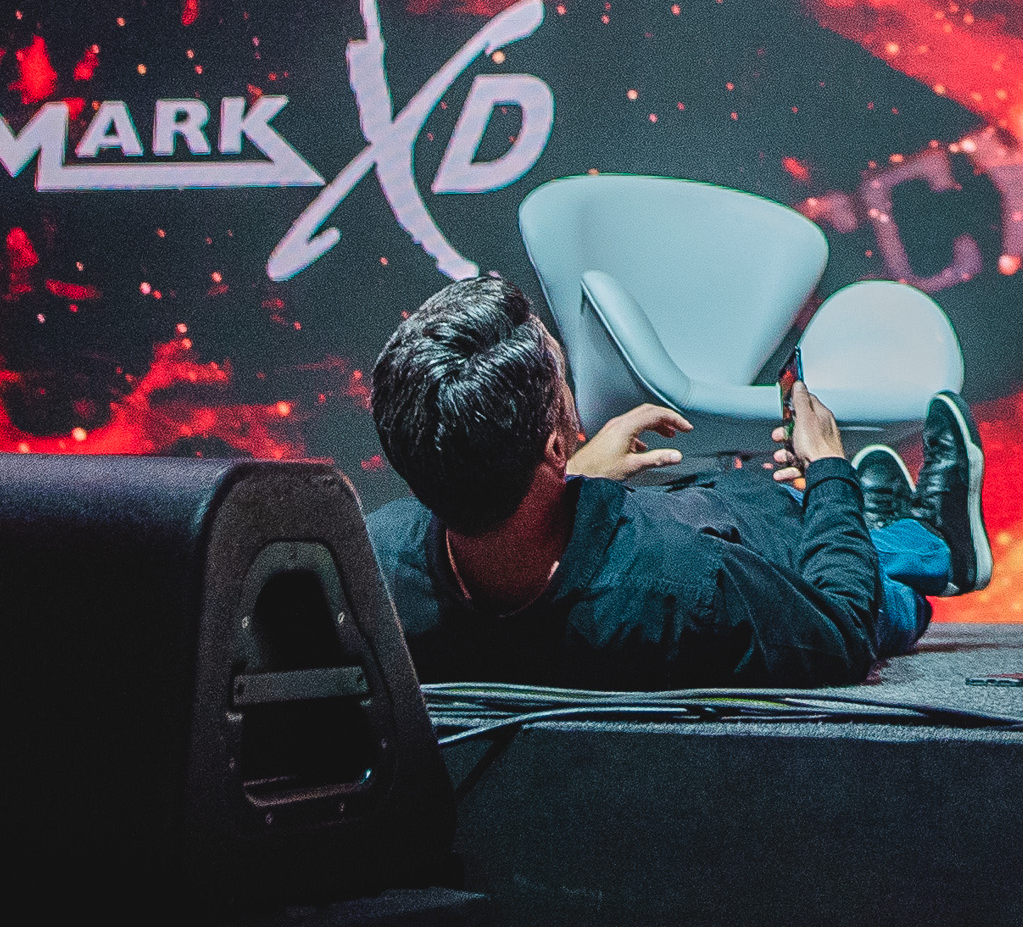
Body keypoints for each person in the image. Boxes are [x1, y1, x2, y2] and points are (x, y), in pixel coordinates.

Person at [363, 271, 989, 688]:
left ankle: (902, 532)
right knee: (882, 580)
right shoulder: (689, 589)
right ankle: (935, 547)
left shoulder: (372, 572)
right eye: (562, 381)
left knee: (851, 528)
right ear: (552, 444)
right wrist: (829, 468)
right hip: (787, 566)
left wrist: (567, 476)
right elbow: (841, 632)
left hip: (706, 520)